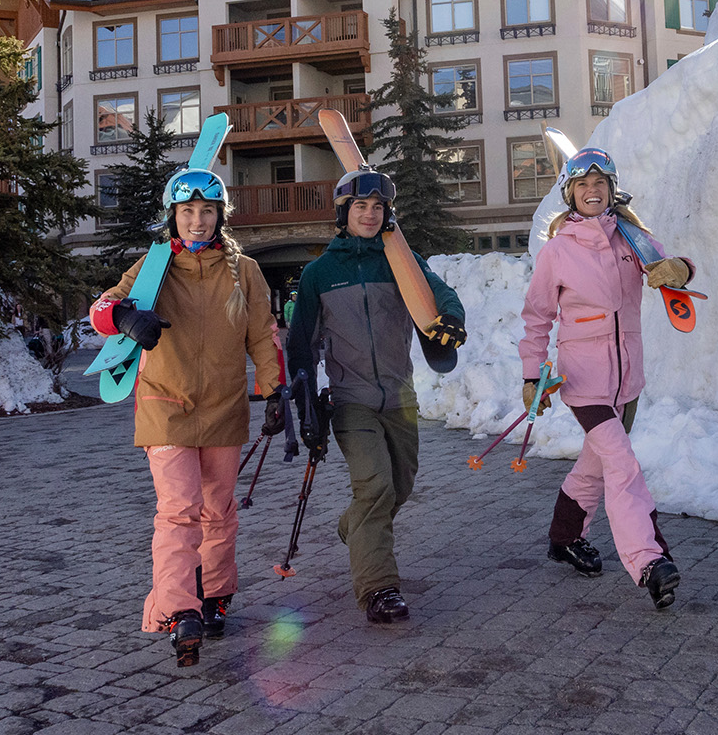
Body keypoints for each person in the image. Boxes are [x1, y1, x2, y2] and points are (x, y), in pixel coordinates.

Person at [89, 167, 280, 666]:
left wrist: (275, 390)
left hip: (224, 404)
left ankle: (214, 595)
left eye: (207, 211)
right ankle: (178, 611)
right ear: (173, 217)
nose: (197, 221)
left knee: (219, 510)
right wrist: (127, 317)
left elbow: (262, 333)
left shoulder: (246, 270)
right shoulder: (153, 266)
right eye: (187, 212)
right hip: (165, 405)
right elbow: (100, 309)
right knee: (179, 510)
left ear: (221, 216)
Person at [284, 169, 466, 623]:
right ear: (343, 213)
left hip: (401, 397)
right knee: (375, 485)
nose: (369, 214)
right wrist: (303, 403)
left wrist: (451, 318)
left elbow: (440, 293)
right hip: (351, 400)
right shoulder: (320, 273)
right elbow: (301, 343)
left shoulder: (400, 260)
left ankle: (354, 526)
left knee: (398, 486)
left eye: (378, 207)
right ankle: (379, 589)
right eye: (360, 207)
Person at [518, 147, 694, 609]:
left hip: (627, 380)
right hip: (583, 379)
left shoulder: (631, 240)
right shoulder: (557, 251)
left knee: (596, 464)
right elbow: (537, 319)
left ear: (611, 190)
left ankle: (565, 537)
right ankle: (650, 562)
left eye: (600, 184)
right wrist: (531, 376)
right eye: (582, 185)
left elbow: (671, 268)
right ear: (570, 194)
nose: (591, 191)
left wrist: (681, 268)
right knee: (621, 464)